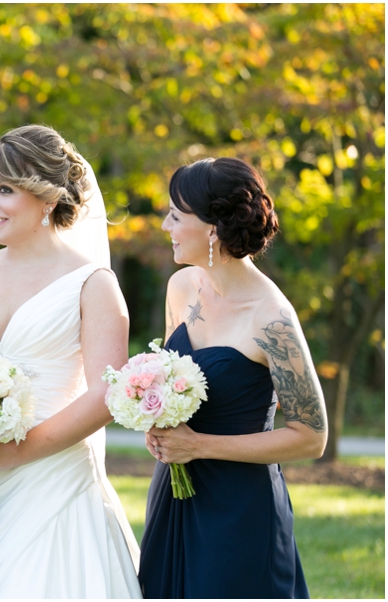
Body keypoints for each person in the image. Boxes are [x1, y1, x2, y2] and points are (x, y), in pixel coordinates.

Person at [0, 124, 142, 598]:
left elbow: (104, 397)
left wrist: (18, 452)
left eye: (4, 189)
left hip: (54, 483)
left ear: (46, 199)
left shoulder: (93, 284)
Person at [139, 157, 326, 598]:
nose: (165, 225)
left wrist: (199, 446)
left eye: (175, 215)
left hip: (241, 507)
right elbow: (172, 380)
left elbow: (310, 436)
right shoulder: (181, 288)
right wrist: (158, 420)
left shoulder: (272, 318)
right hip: (174, 494)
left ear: (211, 229)